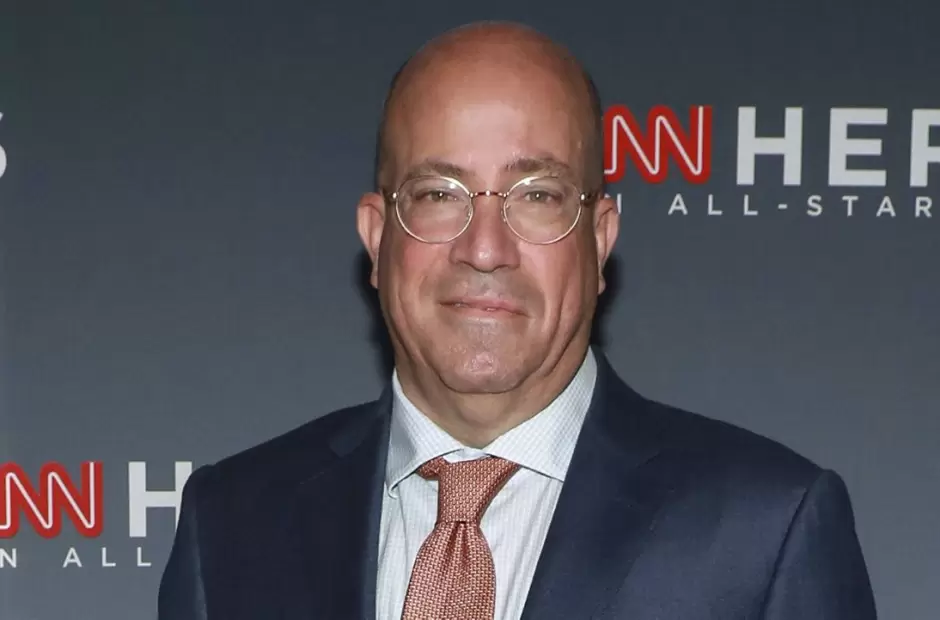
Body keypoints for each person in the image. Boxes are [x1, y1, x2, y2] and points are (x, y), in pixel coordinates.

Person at [157, 21, 877, 620]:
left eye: (537, 195)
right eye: (439, 193)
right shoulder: (231, 526)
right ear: (377, 239)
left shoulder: (765, 530)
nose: (484, 249)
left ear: (599, 240)